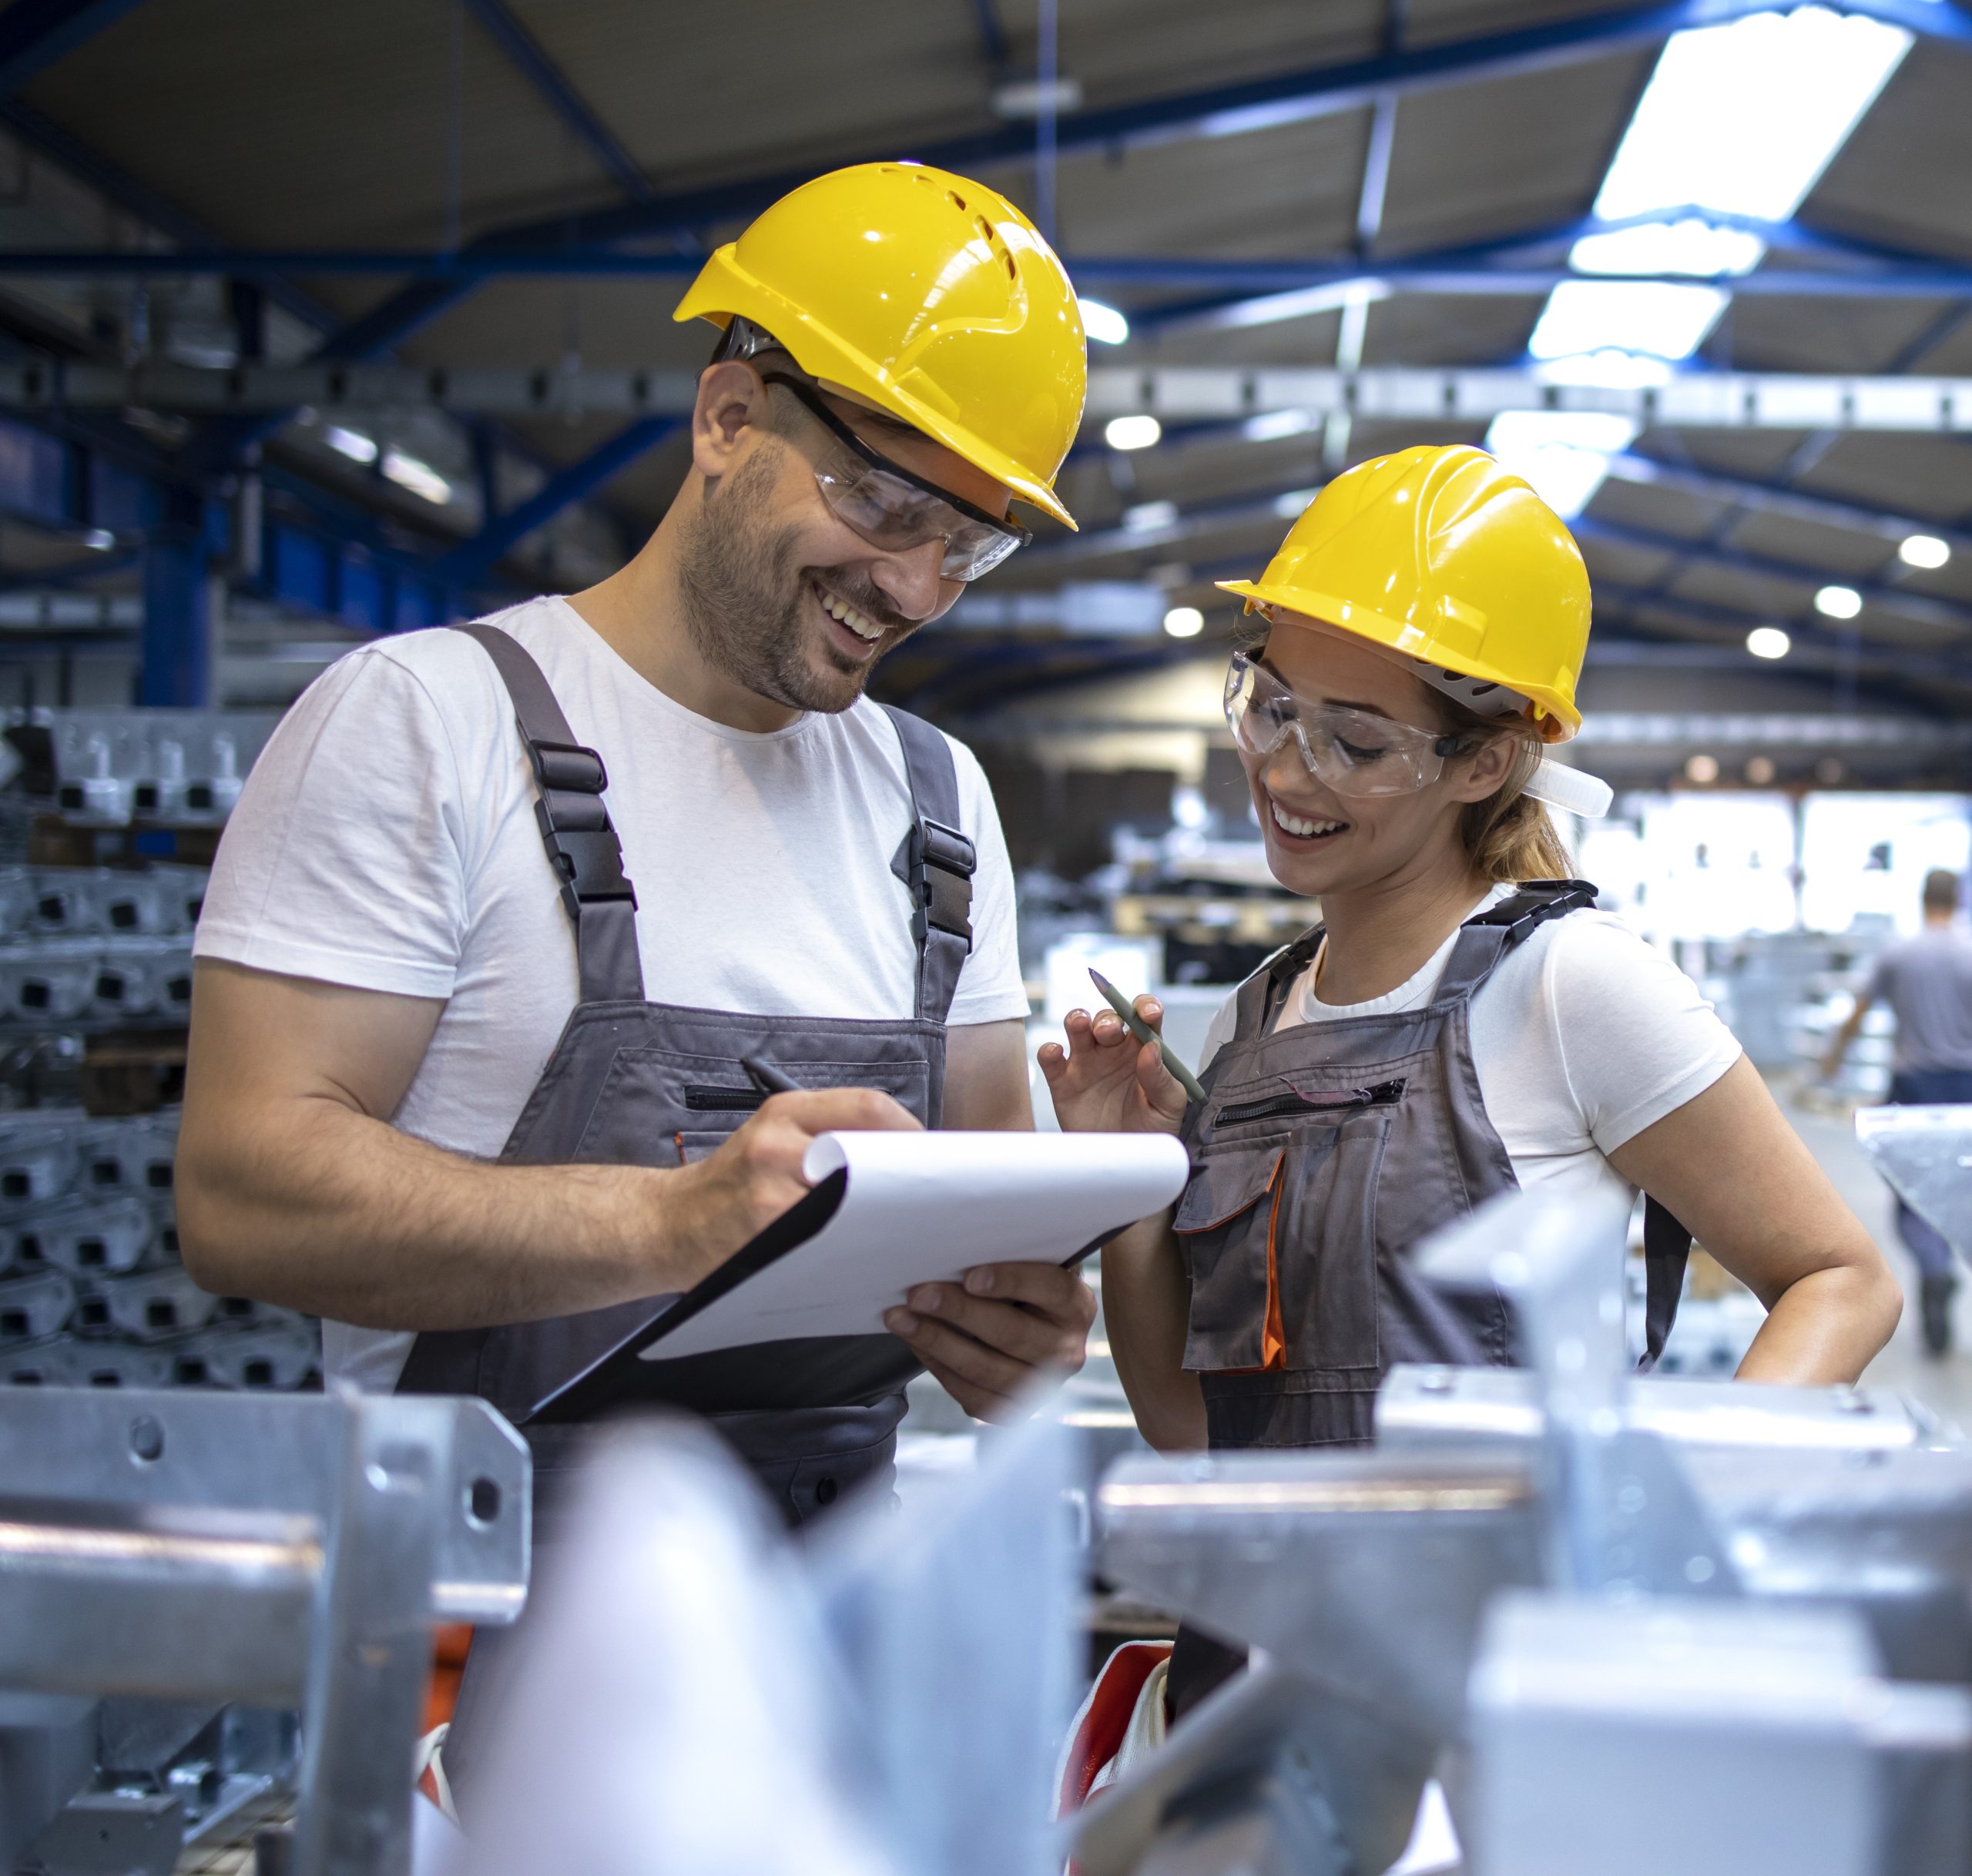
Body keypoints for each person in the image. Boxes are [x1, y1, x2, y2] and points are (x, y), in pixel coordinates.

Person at [176, 162, 1097, 1798]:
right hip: (468, 1691)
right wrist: (673, 1221)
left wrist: (1017, 1330)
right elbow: (245, 1189)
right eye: (885, 505)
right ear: (728, 415)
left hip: (815, 1685)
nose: (909, 587)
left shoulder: (939, 806)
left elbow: (981, 1221)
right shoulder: (424, 724)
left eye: (967, 546)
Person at [1041, 444, 1902, 1727]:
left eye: (1356, 741)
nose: (1287, 770)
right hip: (1253, 1705)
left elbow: (1846, 1280)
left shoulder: (1571, 985)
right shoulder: (1247, 1025)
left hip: (1492, 1707)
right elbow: (1184, 1425)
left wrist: (1655, 1520)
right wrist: (1126, 1185)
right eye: (1271, 707)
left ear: (1484, 761)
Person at [1820, 867, 1972, 1354]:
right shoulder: (1969, 952)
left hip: (1913, 1086)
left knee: (1912, 1193)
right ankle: (1946, 1262)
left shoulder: (1900, 953)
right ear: (1957, 899)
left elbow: (1861, 1010)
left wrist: (1834, 1057)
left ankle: (1933, 1265)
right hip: (1966, 1087)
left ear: (1923, 898)